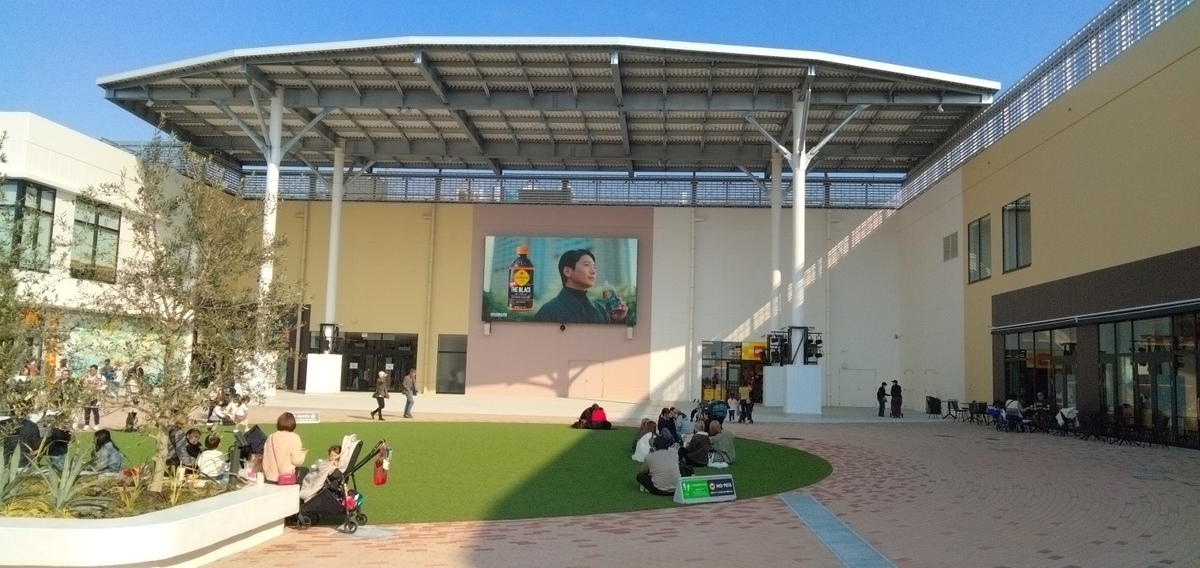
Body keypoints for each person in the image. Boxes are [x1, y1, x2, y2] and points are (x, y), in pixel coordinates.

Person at [533, 249, 628, 324]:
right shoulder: (548, 311)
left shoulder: (600, 309)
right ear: (567, 271)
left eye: (594, 267)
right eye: (586, 265)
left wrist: (618, 320)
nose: (593, 271)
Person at [262, 412, 307, 484]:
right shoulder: (294, 437)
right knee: (305, 471)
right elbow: (296, 461)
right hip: (286, 477)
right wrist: (303, 454)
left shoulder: (271, 437)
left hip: (269, 476)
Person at [81, 364, 103, 430]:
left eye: (93, 370)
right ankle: (87, 424)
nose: (91, 371)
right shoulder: (87, 377)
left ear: (96, 370)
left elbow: (101, 387)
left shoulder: (99, 377)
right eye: (90, 370)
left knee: (95, 411)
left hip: (95, 396)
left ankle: (96, 424)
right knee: (87, 411)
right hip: (87, 395)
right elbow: (84, 385)